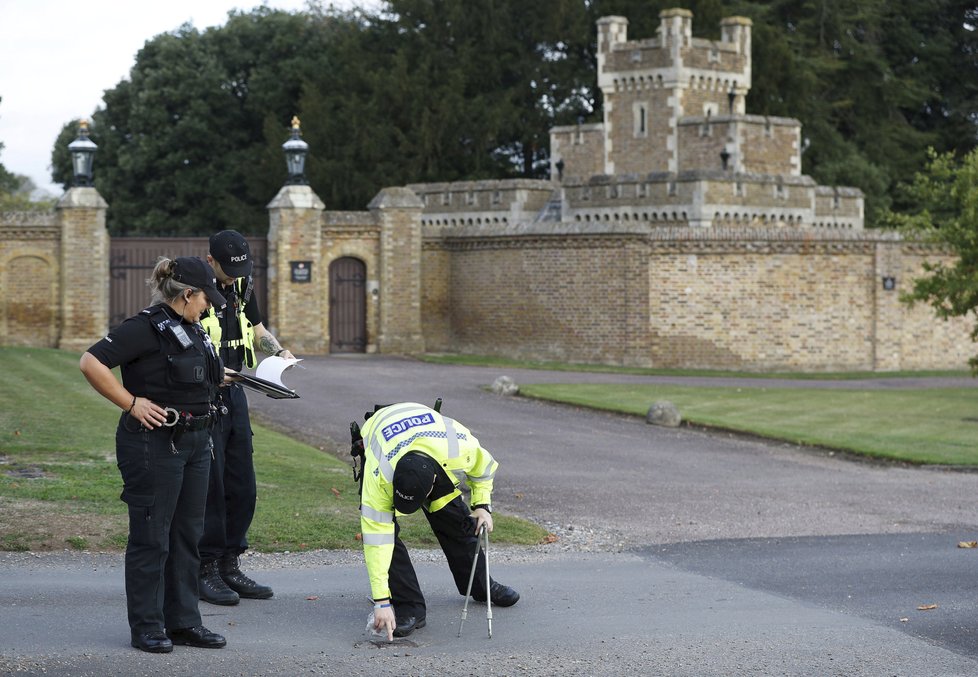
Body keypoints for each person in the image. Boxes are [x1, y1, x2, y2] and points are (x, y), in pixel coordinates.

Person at [79, 256, 228, 653]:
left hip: (195, 442)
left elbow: (189, 373)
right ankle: (147, 626)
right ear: (187, 294)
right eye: (204, 298)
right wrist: (130, 403)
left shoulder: (192, 329)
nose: (208, 305)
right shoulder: (144, 327)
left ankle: (183, 622)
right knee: (151, 537)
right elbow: (91, 361)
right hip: (153, 445)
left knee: (186, 536)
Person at [355, 402, 520, 640]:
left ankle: (480, 585)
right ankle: (409, 606)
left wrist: (482, 506)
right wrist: (381, 601)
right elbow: (376, 540)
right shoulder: (379, 474)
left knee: (457, 520)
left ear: (434, 483)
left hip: (433, 451)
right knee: (387, 536)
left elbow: (484, 470)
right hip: (385, 435)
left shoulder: (460, 447)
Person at [197, 229, 294, 605]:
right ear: (210, 261)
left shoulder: (243, 286)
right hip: (203, 396)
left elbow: (256, 329)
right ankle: (203, 568)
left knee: (242, 485)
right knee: (211, 488)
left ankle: (229, 564)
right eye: (228, 268)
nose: (235, 275)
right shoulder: (194, 289)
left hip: (237, 391)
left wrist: (280, 352)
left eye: (241, 268)